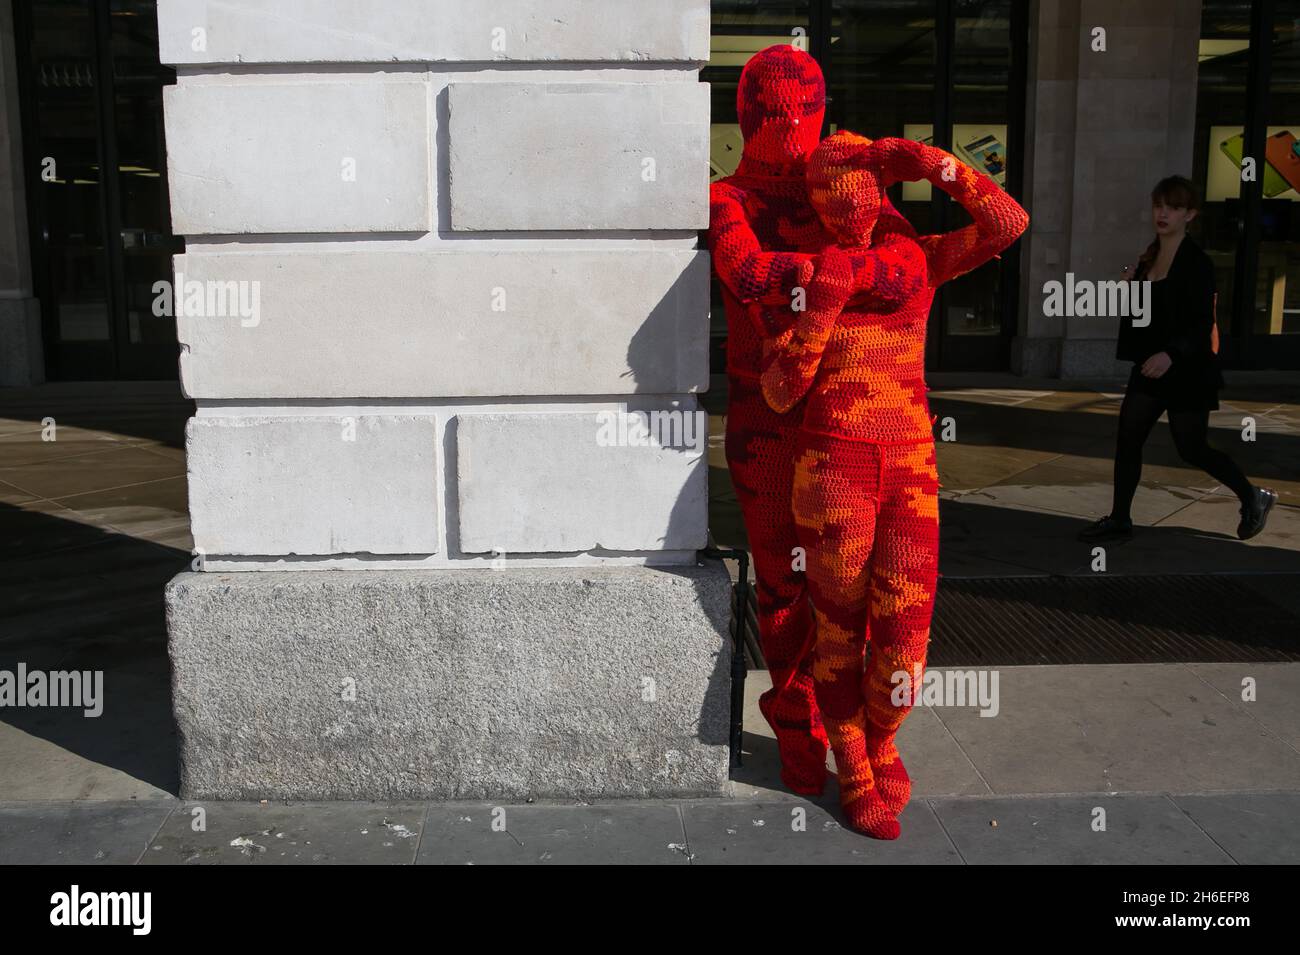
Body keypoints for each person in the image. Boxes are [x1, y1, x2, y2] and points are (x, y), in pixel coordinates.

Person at [761, 133, 1029, 838]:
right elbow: (781, 391)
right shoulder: (811, 271)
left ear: (881, 191)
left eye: (861, 190)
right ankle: (853, 759)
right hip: (831, 474)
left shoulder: (915, 259)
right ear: (819, 205)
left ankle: (885, 735)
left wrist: (934, 162)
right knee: (838, 631)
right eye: (832, 195)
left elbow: (1008, 222)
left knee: (905, 639)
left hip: (910, 468)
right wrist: (821, 306)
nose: (849, 208)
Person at [706, 45, 923, 798]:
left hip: (842, 424)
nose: (789, 126)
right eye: (774, 112)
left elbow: (909, 267)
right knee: (786, 588)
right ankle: (803, 727)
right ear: (746, 117)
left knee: (850, 594)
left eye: (800, 110)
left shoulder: (843, 185)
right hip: (772, 424)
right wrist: (836, 272)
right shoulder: (732, 197)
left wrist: (846, 272)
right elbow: (747, 272)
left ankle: (853, 737)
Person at [1079, 176, 1276, 543]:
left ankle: (1253, 496)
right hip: (1150, 368)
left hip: (1187, 370)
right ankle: (1120, 518)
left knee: (1192, 448)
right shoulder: (1149, 256)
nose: (1163, 213)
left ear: (1190, 215)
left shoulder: (1197, 263)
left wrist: (1171, 355)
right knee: (1128, 438)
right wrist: (1128, 289)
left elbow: (1202, 321)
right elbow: (1145, 319)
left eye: (1172, 207)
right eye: (1158, 206)